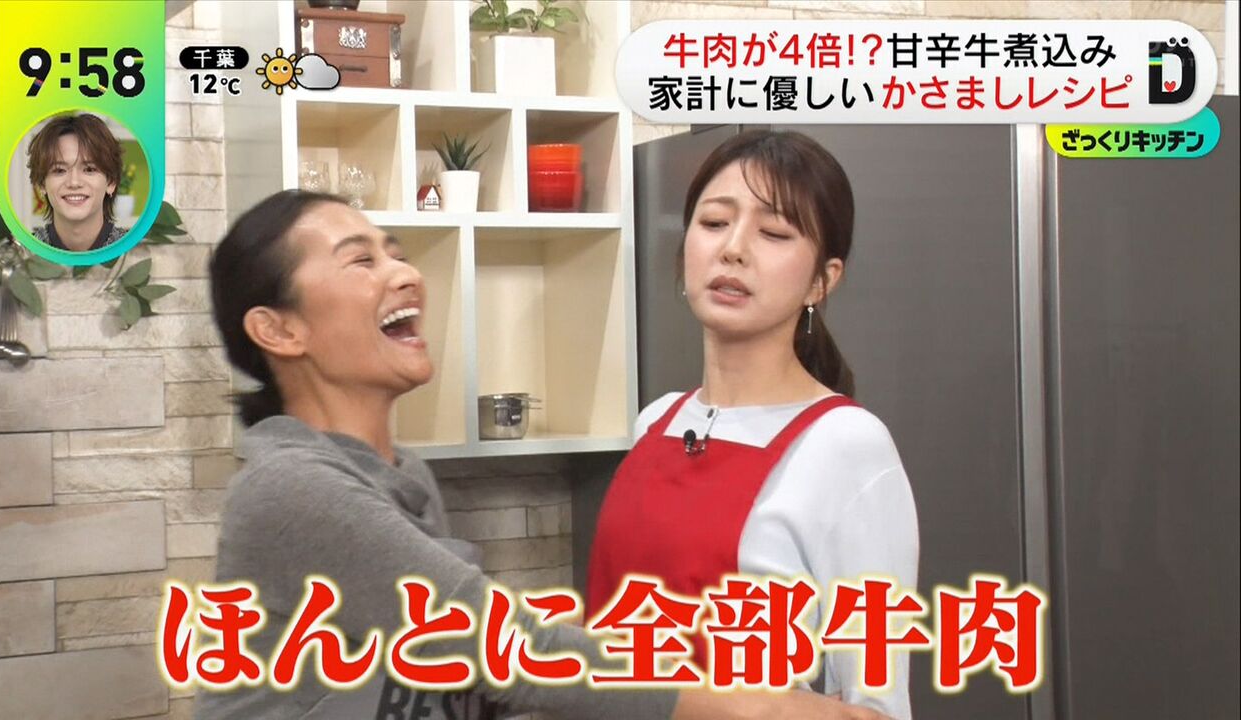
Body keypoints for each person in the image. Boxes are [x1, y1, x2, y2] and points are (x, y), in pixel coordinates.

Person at [198, 189, 888, 719]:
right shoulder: (293, 490)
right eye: (361, 260)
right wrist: (761, 708)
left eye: (396, 251)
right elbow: (508, 648)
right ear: (278, 330)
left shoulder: (403, 475)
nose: (404, 273)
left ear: (822, 279)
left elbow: (459, 671)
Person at [586, 131, 919, 719]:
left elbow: (878, 708)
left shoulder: (845, 445)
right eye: (714, 223)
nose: (733, 249)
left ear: (822, 280)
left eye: (774, 233)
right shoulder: (656, 422)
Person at [25, 113, 129, 252]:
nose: (74, 183)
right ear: (42, 184)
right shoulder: (22, 256)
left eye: (89, 169)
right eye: (59, 170)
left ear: (111, 182)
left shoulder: (135, 253)